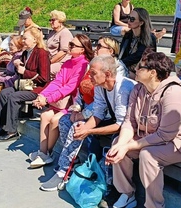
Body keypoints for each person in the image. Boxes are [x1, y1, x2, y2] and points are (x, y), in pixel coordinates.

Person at [106, 52, 181, 208]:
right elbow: (129, 122)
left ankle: (154, 205)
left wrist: (129, 146)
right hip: (150, 138)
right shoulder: (138, 89)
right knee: (117, 143)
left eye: (140, 67)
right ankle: (127, 193)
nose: (135, 69)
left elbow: (165, 135)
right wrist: (122, 144)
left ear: (152, 73)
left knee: (148, 155)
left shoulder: (174, 94)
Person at [39, 55, 136, 191]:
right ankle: (67, 167)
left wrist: (89, 131)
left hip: (130, 128)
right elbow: (98, 113)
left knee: (87, 132)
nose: (89, 77)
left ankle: (108, 186)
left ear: (107, 74)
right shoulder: (100, 85)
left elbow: (121, 125)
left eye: (93, 73)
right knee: (67, 122)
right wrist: (84, 128)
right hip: (114, 120)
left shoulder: (123, 89)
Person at [29, 34, 93, 168]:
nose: (69, 46)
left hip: (73, 104)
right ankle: (43, 152)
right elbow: (57, 82)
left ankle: (48, 153)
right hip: (63, 101)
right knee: (45, 115)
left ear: (82, 49)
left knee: (55, 119)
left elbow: (70, 88)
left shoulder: (84, 65)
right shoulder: (69, 62)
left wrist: (47, 99)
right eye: (70, 44)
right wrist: (43, 96)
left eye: (73, 45)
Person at [0, 26, 50, 142]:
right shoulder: (26, 53)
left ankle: (12, 131)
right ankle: (3, 125)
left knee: (14, 97)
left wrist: (25, 71)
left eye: (25, 39)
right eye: (23, 39)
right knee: (4, 93)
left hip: (37, 89)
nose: (23, 41)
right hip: (24, 85)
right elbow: (21, 72)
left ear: (35, 39)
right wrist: (18, 65)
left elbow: (44, 78)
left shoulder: (42, 53)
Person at [119, 7, 157, 78]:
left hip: (142, 72)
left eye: (132, 19)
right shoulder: (128, 35)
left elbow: (139, 55)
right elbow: (122, 53)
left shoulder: (150, 38)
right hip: (126, 69)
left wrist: (121, 63)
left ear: (141, 22)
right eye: (128, 17)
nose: (129, 21)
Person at [46, 10, 73, 76]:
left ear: (60, 21)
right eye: (50, 20)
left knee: (44, 70)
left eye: (53, 20)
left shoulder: (65, 33)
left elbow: (63, 52)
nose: (51, 22)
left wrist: (49, 63)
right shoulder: (52, 32)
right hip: (50, 60)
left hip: (61, 62)